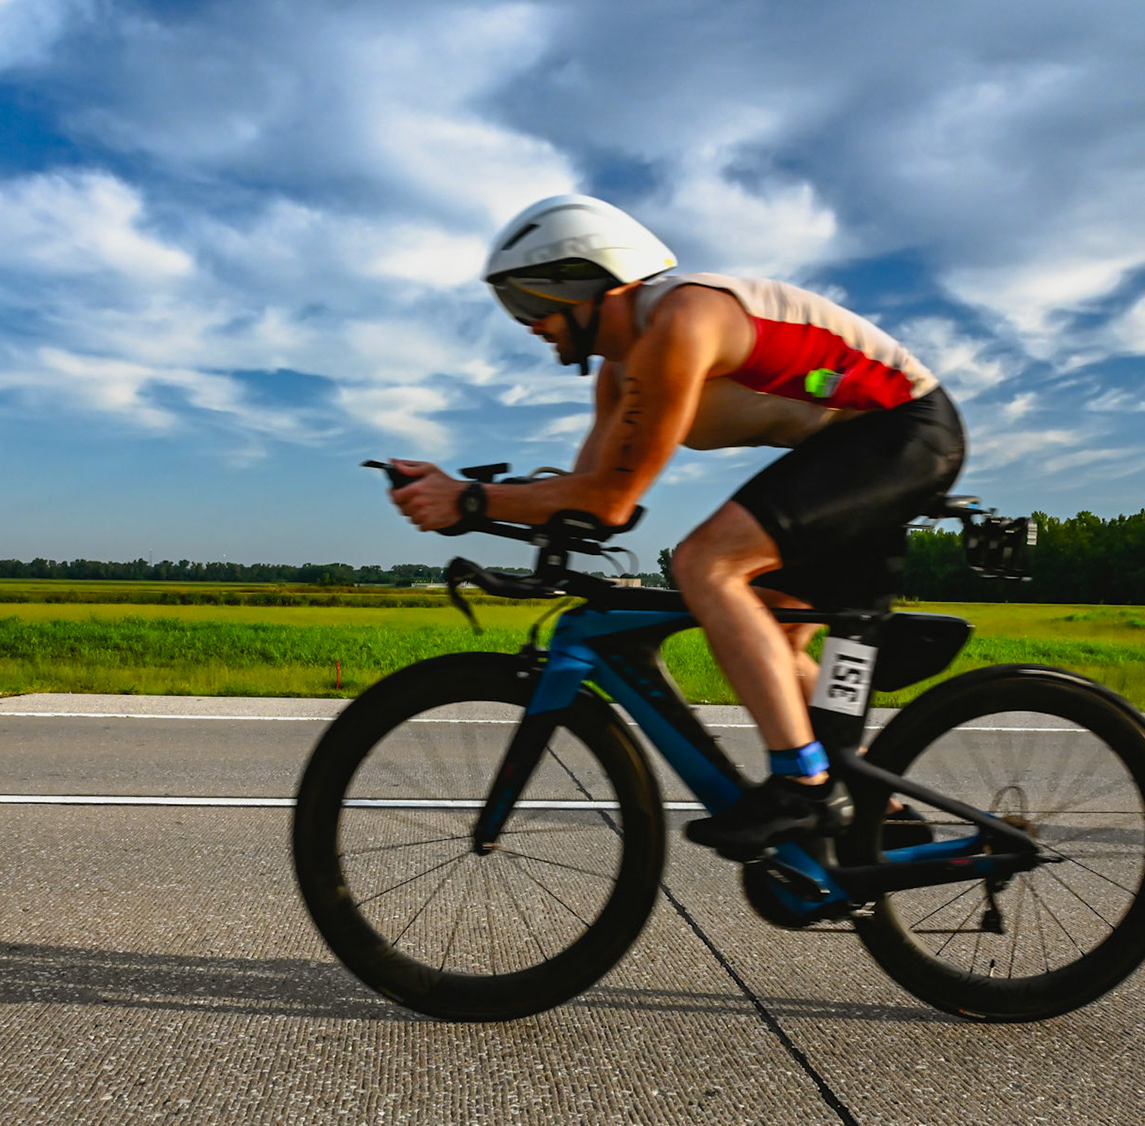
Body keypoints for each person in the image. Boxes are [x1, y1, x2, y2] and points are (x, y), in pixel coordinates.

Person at [385, 194, 965, 860]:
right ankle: (881, 815)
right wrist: (470, 502)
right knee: (768, 638)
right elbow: (587, 502)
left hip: (906, 429)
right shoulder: (618, 375)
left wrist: (470, 500)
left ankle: (802, 786)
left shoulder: (682, 321)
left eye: (530, 299)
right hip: (848, 450)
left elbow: (609, 497)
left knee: (706, 563)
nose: (529, 322)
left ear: (588, 280)